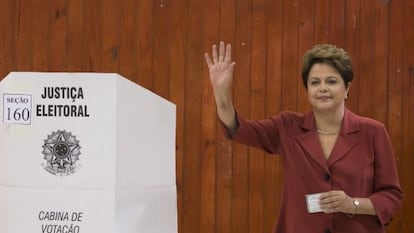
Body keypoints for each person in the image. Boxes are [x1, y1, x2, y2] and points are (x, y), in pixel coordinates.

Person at [204, 41, 403, 233]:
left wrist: (352, 204)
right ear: (308, 89)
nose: (323, 88)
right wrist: (221, 94)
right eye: (315, 82)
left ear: (347, 89)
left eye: (331, 81)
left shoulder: (373, 131)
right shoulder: (287, 126)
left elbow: (391, 196)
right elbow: (240, 129)